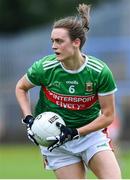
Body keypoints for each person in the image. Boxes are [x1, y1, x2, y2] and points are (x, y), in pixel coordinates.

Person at [15, 3, 121, 179]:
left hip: (89, 136)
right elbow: (21, 87)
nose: (54, 46)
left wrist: (76, 132)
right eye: (52, 41)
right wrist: (28, 119)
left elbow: (108, 116)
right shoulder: (45, 67)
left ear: (76, 42)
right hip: (57, 142)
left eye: (59, 41)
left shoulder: (99, 72)